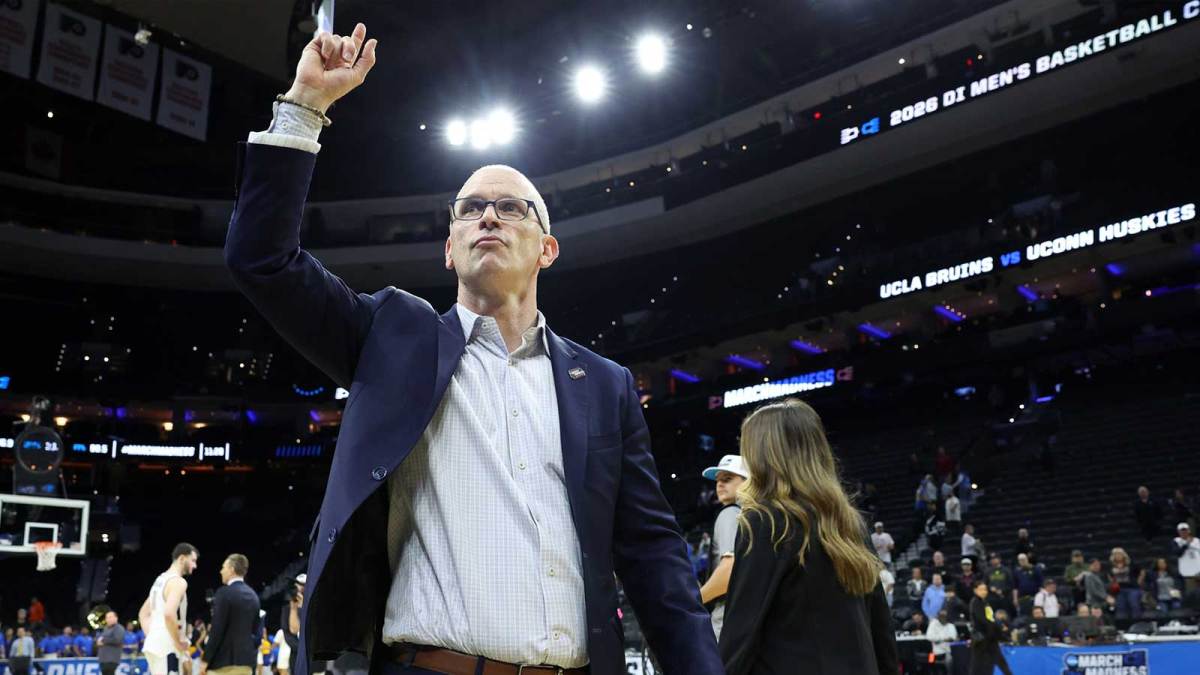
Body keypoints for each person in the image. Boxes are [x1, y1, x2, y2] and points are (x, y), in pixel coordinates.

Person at [225, 22, 720, 675]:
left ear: (547, 249)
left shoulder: (603, 384)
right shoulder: (393, 335)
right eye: (470, 208)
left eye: (512, 207)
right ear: (450, 246)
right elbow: (262, 259)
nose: (488, 215)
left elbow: (658, 565)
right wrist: (305, 107)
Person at [719, 399, 897, 675]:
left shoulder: (765, 521)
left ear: (763, 457)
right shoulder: (850, 523)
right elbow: (881, 630)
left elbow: (742, 631)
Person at [698, 454, 749, 640]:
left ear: (747, 483)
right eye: (718, 480)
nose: (719, 484)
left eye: (727, 479)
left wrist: (695, 600)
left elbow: (728, 572)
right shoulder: (756, 517)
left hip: (726, 620)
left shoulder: (729, 514)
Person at [141, 543, 197, 675]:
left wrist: (154, 634)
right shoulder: (178, 582)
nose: (195, 565)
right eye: (193, 560)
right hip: (167, 647)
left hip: (154, 645)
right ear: (182, 558)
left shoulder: (160, 580)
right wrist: (177, 643)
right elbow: (169, 614)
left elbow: (143, 614)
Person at [201, 554, 261, 675]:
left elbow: (217, 630)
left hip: (222, 665)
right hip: (247, 664)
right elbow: (256, 632)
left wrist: (205, 660)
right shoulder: (254, 596)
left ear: (232, 569)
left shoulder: (224, 593)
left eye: (224, 567)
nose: (221, 571)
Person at [969, 580, 1013, 675]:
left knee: (999, 662)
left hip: (990, 637)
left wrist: (999, 626)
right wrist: (999, 627)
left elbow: (991, 619)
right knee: (977, 665)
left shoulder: (985, 603)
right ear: (975, 591)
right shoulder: (976, 602)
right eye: (980, 589)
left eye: (985, 589)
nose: (983, 591)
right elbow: (983, 620)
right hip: (981, 638)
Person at [1108, 547, 1144, 619]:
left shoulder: (1131, 564)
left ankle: (1137, 622)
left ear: (1124, 555)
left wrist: (1139, 581)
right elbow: (1110, 576)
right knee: (1120, 607)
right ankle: (1122, 626)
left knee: (1134, 604)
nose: (1118, 556)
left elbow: (1142, 572)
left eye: (1119, 554)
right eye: (1116, 554)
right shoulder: (1111, 566)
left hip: (1132, 588)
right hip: (1119, 590)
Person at [97, 610, 127, 675]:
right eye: (107, 617)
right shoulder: (106, 628)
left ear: (116, 618)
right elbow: (101, 638)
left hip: (112, 659)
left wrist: (103, 640)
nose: (108, 619)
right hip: (103, 659)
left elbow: (118, 640)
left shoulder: (119, 628)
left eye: (110, 617)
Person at [1173, 522, 1200, 594]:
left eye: (1185, 530)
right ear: (1178, 532)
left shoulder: (1197, 541)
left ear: (1189, 531)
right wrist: (1186, 544)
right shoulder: (1176, 541)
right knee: (1191, 593)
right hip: (1187, 574)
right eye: (1182, 530)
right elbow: (1178, 553)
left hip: (1198, 571)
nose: (1184, 532)